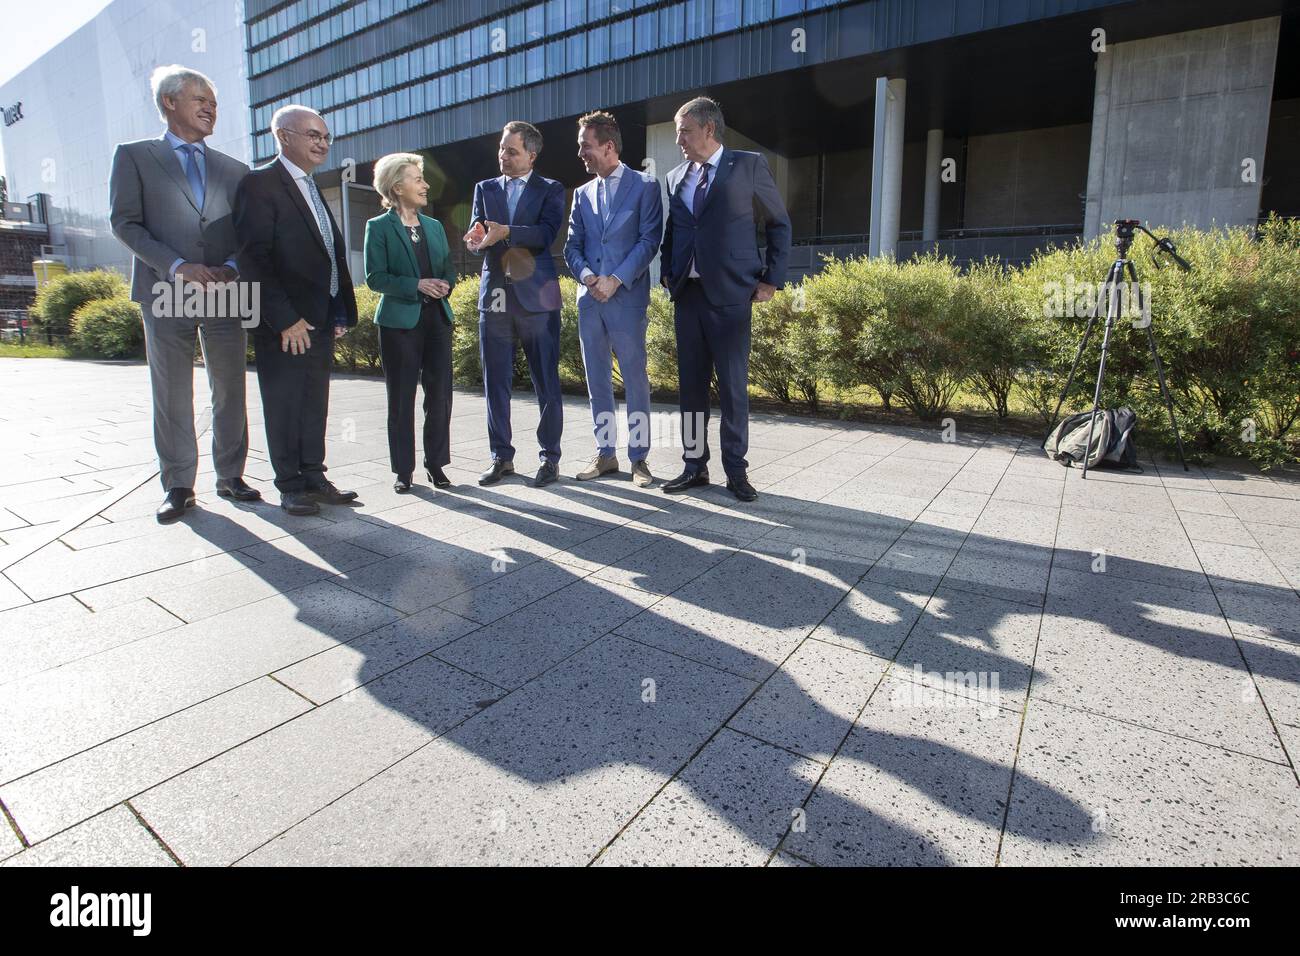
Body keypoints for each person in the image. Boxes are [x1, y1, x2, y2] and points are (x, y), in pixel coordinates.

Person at [109, 65, 258, 524]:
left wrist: (233, 267)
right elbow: (125, 222)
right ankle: (179, 484)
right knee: (172, 390)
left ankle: (231, 475)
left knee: (230, 385)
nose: (211, 108)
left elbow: (248, 230)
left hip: (225, 290)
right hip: (164, 288)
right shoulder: (134, 156)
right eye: (201, 99)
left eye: (214, 102)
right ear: (169, 102)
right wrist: (177, 266)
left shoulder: (235, 169)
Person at [659, 96, 791, 502]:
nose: (678, 139)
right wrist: (668, 272)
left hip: (733, 294)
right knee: (691, 389)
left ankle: (736, 471)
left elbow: (778, 223)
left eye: (684, 130)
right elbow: (675, 232)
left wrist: (772, 279)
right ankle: (694, 467)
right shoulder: (675, 176)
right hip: (689, 297)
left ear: (708, 129)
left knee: (733, 388)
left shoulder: (748, 165)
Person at [232, 105, 359, 516]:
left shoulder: (311, 185)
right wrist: (284, 317)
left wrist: (338, 309)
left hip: (319, 318)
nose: (322, 143)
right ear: (284, 136)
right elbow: (254, 259)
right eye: (313, 135)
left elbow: (327, 254)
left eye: (326, 137)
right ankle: (290, 484)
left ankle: (313, 475)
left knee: (313, 402)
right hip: (286, 323)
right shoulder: (259, 185)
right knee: (285, 401)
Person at [463, 121, 566, 488]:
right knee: (496, 380)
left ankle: (549, 458)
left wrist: (508, 232)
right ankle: (501, 456)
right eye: (501, 149)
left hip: (538, 295)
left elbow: (546, 234)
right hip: (495, 294)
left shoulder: (551, 189)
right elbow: (478, 228)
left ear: (531, 155)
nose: (502, 157)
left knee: (545, 380)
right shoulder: (484, 188)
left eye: (511, 151)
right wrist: (475, 236)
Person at [563, 111, 663, 487]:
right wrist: (590, 278)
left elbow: (648, 241)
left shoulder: (645, 186)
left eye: (585, 147)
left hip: (627, 299)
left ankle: (639, 459)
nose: (581, 154)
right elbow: (571, 246)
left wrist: (616, 280)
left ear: (608, 146)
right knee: (597, 381)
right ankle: (606, 455)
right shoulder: (582, 194)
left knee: (635, 379)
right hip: (590, 300)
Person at [364, 153, 455, 494]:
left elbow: (447, 268)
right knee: (401, 398)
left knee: (440, 395)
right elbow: (376, 277)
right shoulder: (378, 227)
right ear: (397, 186)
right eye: (418, 179)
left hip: (437, 319)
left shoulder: (433, 227)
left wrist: (445, 283)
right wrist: (415, 285)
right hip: (399, 323)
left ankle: (436, 464)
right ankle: (404, 470)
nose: (425, 184)